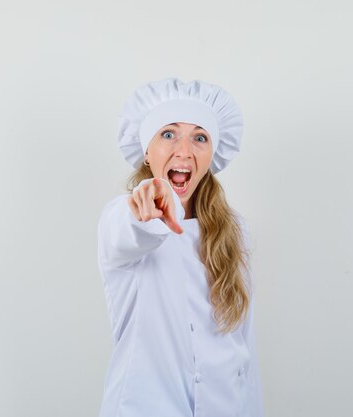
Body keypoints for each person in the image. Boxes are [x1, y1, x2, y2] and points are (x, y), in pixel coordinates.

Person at [97, 78, 264, 417]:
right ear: (147, 150)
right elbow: (127, 232)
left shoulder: (235, 230)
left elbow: (243, 347)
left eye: (199, 137)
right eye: (169, 134)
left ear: (212, 153)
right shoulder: (124, 216)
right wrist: (146, 206)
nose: (184, 151)